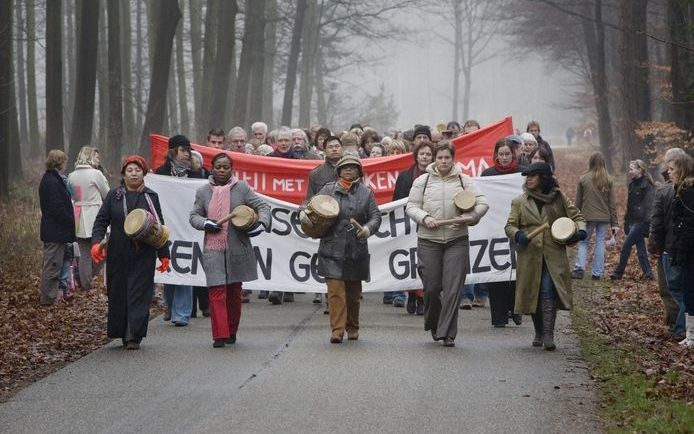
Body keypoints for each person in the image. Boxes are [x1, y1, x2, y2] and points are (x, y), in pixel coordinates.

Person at [406, 141, 489, 347]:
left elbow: (483, 204)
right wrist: (424, 218)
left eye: (447, 158)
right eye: (440, 157)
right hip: (429, 241)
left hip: (457, 240)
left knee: (453, 289)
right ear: (435, 158)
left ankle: (448, 334)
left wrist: (470, 217)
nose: (443, 161)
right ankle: (435, 323)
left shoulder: (464, 180)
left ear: (453, 158)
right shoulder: (423, 181)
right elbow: (411, 206)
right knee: (432, 288)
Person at [190, 153, 271, 347]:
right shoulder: (203, 192)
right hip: (213, 249)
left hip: (237, 248)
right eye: (218, 167)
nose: (222, 170)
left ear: (231, 169)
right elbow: (194, 216)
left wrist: (261, 224)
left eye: (226, 167)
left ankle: (231, 331)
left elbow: (263, 206)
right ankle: (220, 335)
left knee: (234, 293)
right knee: (217, 291)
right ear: (212, 168)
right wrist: (206, 223)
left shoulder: (242, 188)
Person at [91, 155, 170, 350]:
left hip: (143, 253)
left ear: (144, 173)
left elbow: (159, 227)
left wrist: (164, 254)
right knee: (118, 293)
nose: (134, 174)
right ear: (124, 174)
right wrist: (95, 243)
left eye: (137, 170)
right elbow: (101, 220)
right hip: (118, 251)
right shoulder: (114, 195)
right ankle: (121, 331)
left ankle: (133, 335)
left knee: (138, 294)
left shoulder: (151, 197)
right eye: (130, 170)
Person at [505, 162, 586, 350]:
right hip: (530, 256)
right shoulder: (520, 201)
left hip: (554, 254)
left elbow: (577, 217)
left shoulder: (558, 198)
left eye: (533, 176)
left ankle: (549, 335)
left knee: (547, 291)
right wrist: (518, 235)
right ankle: (539, 331)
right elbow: (510, 225)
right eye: (527, 176)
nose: (529, 179)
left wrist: (579, 232)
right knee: (534, 292)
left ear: (544, 177)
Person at [300, 155, 381, 343]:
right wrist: (304, 213)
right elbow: (308, 204)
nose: (348, 170)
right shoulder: (327, 189)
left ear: (359, 172)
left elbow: (375, 216)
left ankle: (353, 326)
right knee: (335, 292)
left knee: (353, 295)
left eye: (353, 167)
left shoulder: (366, 193)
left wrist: (367, 229)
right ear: (339, 171)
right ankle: (337, 330)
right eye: (345, 167)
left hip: (356, 250)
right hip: (331, 249)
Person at [480, 138, 522, 327]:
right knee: (496, 272)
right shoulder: (487, 174)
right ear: (496, 155)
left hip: (517, 228)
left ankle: (515, 308)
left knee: (516, 271)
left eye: (507, 154)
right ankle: (498, 316)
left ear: (513, 155)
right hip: (493, 230)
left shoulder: (522, 174)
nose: (504, 158)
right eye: (501, 154)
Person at [155, 135, 195, 326]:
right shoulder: (160, 173)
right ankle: (170, 306)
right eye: (183, 150)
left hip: (189, 227)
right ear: (173, 152)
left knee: (186, 269)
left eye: (189, 150)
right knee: (169, 269)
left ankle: (182, 314)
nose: (187, 154)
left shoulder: (197, 173)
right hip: (168, 227)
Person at [649, 148, 688, 340]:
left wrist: (654, 247)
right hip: (674, 246)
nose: (668, 169)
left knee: (674, 288)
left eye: (670, 165)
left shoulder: (668, 191)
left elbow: (657, 222)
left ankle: (679, 325)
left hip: (671, 247)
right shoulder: (671, 189)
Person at [391, 141, 434, 311]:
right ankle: (411, 294)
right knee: (411, 260)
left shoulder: (436, 176)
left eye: (428, 154)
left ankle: (422, 297)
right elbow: (396, 201)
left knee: (426, 262)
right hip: (408, 226)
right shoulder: (404, 176)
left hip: (429, 224)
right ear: (416, 156)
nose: (425, 157)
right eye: (422, 153)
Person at [304, 135, 344, 308]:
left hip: (346, 224)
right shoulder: (316, 173)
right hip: (326, 226)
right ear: (324, 150)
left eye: (337, 146)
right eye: (331, 147)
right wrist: (303, 211)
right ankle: (331, 299)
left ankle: (344, 300)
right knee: (330, 265)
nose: (334, 149)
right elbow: (309, 199)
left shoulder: (352, 170)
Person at [67, 146, 110, 291]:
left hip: (78, 215)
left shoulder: (71, 175)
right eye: (96, 157)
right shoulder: (95, 174)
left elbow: (72, 196)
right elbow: (107, 195)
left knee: (84, 253)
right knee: (103, 248)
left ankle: (85, 283)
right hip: (95, 215)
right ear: (90, 157)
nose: (98, 160)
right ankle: (88, 277)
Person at [571, 152, 618, 280]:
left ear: (590, 162)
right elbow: (612, 204)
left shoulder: (583, 179)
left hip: (588, 216)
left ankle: (579, 269)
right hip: (604, 217)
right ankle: (597, 273)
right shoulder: (608, 179)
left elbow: (578, 202)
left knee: (584, 241)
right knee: (600, 242)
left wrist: (575, 218)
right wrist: (615, 223)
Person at [39, 150, 76, 305]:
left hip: (56, 230)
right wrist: (70, 220)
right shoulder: (51, 181)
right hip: (54, 230)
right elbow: (57, 207)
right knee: (52, 266)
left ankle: (51, 297)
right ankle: (48, 299)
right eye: (64, 161)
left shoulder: (52, 179)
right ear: (59, 162)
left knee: (55, 264)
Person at [610, 160, 654, 280]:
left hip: (641, 223)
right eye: (629, 169)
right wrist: (626, 222)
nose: (629, 171)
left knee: (626, 246)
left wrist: (645, 223)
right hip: (633, 222)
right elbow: (629, 206)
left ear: (640, 170)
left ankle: (618, 272)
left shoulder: (647, 186)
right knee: (641, 249)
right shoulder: (632, 185)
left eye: (632, 169)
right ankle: (649, 274)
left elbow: (649, 207)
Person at [668, 153, 694, 347]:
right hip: (685, 248)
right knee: (687, 291)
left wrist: (681, 251)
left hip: (689, 250)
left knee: (689, 291)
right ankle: (690, 335)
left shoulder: (688, 193)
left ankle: (691, 337)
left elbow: (688, 224)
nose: (668, 173)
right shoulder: (682, 190)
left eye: (671, 170)